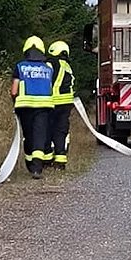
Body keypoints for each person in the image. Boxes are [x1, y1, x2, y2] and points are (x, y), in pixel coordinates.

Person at [11, 36, 54, 178]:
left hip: (24, 106)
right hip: (44, 106)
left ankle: (30, 165)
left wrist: (14, 102)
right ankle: (37, 168)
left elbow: (14, 90)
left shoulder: (20, 66)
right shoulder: (48, 68)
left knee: (28, 136)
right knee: (39, 135)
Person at [46, 40, 74, 170]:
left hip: (53, 102)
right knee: (61, 132)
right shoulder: (67, 66)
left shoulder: (51, 64)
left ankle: (47, 160)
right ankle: (60, 160)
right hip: (66, 104)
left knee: (48, 130)